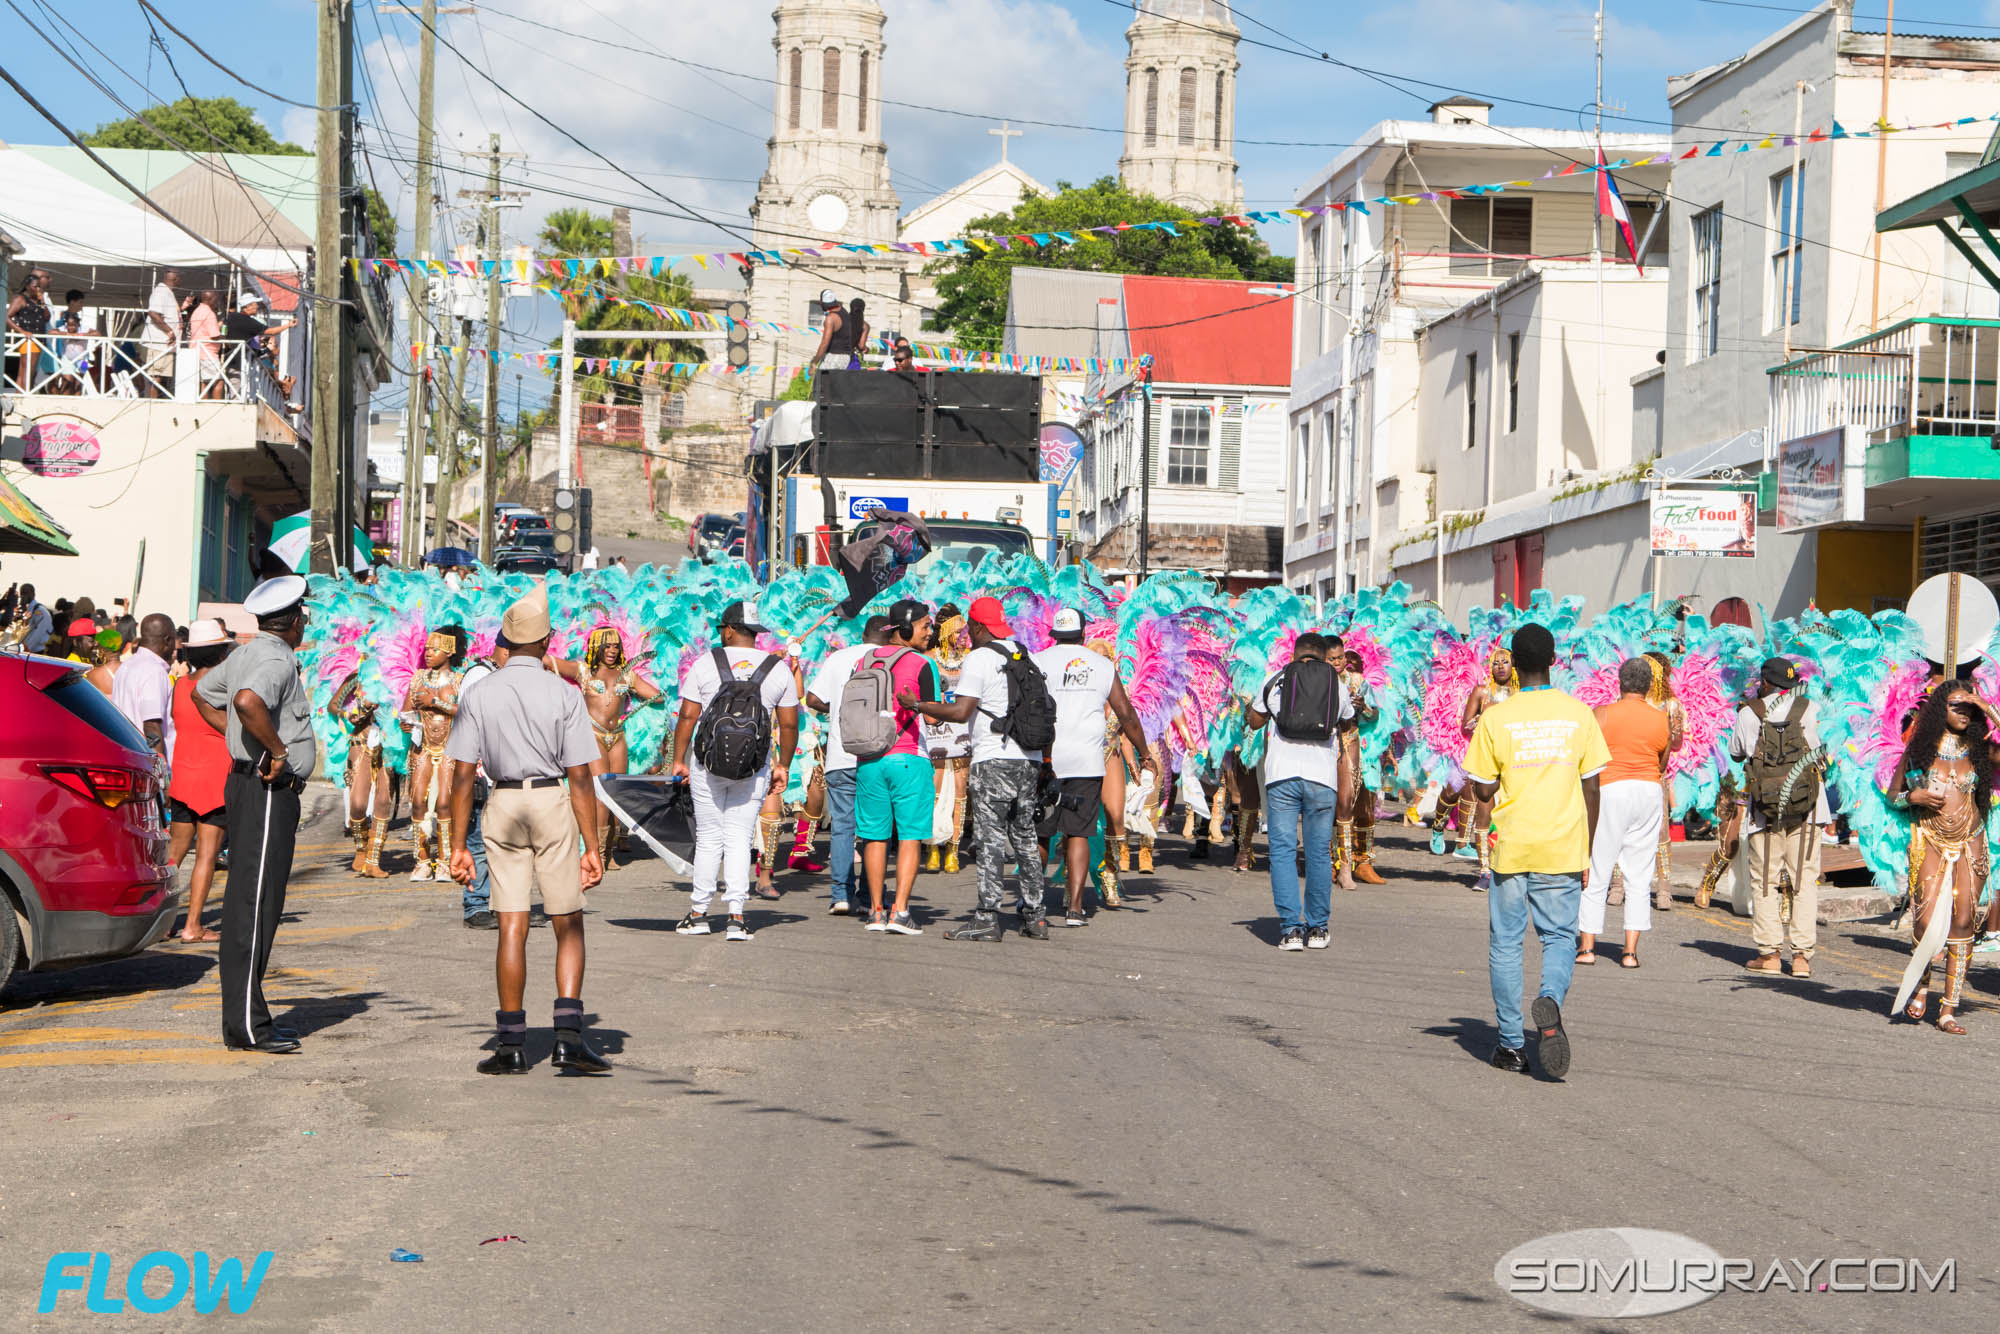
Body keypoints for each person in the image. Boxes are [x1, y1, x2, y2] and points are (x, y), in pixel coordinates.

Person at [445, 590, 609, 1074]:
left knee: (511, 925)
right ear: (545, 642)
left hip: (502, 801)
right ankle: (567, 1039)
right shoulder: (563, 692)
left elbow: (461, 773)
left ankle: (512, 1045)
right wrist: (592, 846)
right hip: (550, 799)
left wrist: (456, 845)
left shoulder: (478, 692)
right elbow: (581, 775)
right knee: (567, 921)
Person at [1464, 624, 1608, 1080]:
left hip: (1511, 846)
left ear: (1514, 664)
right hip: (1563, 845)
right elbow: (1592, 787)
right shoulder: (1579, 714)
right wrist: (1586, 849)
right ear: (1552, 660)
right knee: (1560, 937)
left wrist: (1483, 777)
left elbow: (1483, 789)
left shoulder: (1495, 716)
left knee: (1506, 944)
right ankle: (1550, 1000)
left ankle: (1510, 1045)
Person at [192, 575, 315, 1054]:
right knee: (253, 904)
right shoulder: (272, 656)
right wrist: (275, 750)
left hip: (255, 782)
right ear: (294, 620)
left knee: (259, 902)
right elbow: (244, 702)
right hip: (266, 786)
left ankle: (252, 1018)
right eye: (303, 616)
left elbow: (205, 693)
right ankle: (245, 1025)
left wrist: (240, 739)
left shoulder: (247, 651)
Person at [905, 597, 1047, 940]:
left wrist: (918, 704)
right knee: (1025, 836)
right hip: (1030, 758)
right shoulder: (1025, 654)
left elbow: (961, 712)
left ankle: (987, 916)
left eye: (971, 626)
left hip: (993, 758)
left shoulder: (979, 658)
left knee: (990, 839)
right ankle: (1035, 916)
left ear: (979, 627)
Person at [668, 600, 800, 942]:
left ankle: (698, 913)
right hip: (754, 767)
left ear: (728, 629)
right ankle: (736, 917)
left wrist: (678, 758)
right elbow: (788, 724)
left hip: (707, 763)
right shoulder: (777, 668)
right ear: (754, 633)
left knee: (710, 837)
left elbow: (687, 716)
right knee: (740, 838)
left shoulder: (706, 663)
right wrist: (782, 765)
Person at [1888, 680, 2000, 1034]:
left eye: (1969, 708)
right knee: (1924, 919)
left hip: (1971, 840)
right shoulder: (1920, 748)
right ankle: (1921, 986)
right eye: (1957, 706)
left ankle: (1949, 1007)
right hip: (1931, 840)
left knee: (1964, 920)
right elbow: (1892, 796)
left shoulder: (1980, 748)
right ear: (1940, 709)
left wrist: (1987, 707)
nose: (1964, 712)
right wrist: (1914, 798)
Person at [1035, 607, 1154, 928]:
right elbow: (1126, 714)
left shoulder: (1039, 661)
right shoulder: (1102, 666)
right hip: (1087, 762)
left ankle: (1030, 902)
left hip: (1046, 761)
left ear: (1055, 635)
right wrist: (1144, 753)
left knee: (1042, 834)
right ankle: (1075, 909)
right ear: (1084, 634)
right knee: (1078, 833)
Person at [1246, 633, 1349, 951]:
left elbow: (1253, 722)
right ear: (1322, 655)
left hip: (1282, 777)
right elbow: (1346, 720)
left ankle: (1291, 930)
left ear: (1295, 654)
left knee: (1282, 852)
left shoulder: (1276, 680)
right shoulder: (1337, 685)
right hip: (1322, 779)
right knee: (1318, 854)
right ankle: (1318, 929)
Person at [1728, 656, 1829, 979]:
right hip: (1809, 809)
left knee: (1765, 881)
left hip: (1765, 811)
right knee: (1803, 881)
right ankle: (1801, 957)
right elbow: (1826, 753)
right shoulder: (1811, 709)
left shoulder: (1749, 711)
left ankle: (1770, 954)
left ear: (1766, 682)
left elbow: (1736, 752)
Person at [854, 598, 940, 935]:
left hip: (868, 758)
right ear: (905, 629)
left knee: (874, 836)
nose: (929, 632)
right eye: (924, 626)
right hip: (908, 757)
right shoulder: (921, 663)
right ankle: (900, 912)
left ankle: (876, 911)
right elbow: (933, 715)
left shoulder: (865, 658)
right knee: (909, 836)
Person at [1578, 659, 1670, 969]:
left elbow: (1585, 758)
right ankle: (1630, 953)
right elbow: (1662, 763)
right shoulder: (1661, 718)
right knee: (1640, 875)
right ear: (1647, 686)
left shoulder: (1601, 713)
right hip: (1647, 791)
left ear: (1620, 683)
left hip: (1610, 789)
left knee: (1597, 868)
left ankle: (1587, 948)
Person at [551, 625, 662, 868]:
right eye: (606, 646)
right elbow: (548, 662)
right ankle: (599, 854)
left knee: (617, 794)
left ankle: (610, 849)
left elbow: (657, 696)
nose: (611, 651)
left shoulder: (627, 674)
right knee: (600, 794)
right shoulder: (583, 671)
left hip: (618, 736)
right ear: (595, 648)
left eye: (615, 646)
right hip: (592, 734)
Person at [803, 615, 890, 915]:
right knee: (874, 828)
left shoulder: (839, 658)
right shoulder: (891, 658)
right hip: (878, 755)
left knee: (842, 826)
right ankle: (869, 895)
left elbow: (812, 698)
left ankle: (840, 894)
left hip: (841, 754)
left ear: (863, 633)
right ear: (889, 635)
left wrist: (839, 709)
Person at [166, 620, 232, 943]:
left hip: (183, 777)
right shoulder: (224, 689)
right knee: (206, 855)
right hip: (215, 781)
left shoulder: (179, 686)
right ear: (221, 652)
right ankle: (192, 925)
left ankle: (161, 922)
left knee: (172, 857)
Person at [403, 627, 467, 881]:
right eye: (427, 649)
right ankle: (421, 861)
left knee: (444, 803)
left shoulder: (460, 680)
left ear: (449, 652)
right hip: (423, 747)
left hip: (451, 747)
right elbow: (406, 710)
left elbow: (465, 712)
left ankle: (444, 860)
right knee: (418, 800)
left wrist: (435, 702)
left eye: (435, 649)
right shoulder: (418, 679)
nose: (428, 654)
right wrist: (406, 722)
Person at [452, 640, 508, 928]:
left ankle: (497, 903)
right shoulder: (480, 675)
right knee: (477, 843)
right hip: (479, 772)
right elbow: (471, 725)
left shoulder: (498, 675)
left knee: (499, 843)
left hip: (497, 774)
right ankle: (475, 906)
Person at [1456, 645, 1519, 889]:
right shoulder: (1482, 692)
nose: (1500, 666)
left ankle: (1508, 867)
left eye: (1505, 662)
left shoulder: (1520, 693)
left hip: (1513, 762)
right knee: (1484, 812)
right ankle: (1485, 871)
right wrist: (1485, 718)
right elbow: (1465, 725)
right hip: (1486, 759)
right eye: (1495, 662)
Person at [329, 671, 393, 879]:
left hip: (390, 745)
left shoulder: (398, 673)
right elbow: (333, 705)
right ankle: (361, 848)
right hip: (360, 743)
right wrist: (349, 714)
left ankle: (373, 861)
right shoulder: (356, 677)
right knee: (357, 803)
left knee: (383, 801)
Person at [922, 605, 971, 873]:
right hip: (937, 731)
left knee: (961, 791)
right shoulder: (929, 658)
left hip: (962, 730)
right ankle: (932, 846)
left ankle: (953, 848)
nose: (963, 635)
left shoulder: (971, 659)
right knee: (935, 789)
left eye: (965, 630)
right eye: (958, 630)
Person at [1331, 640, 1384, 888]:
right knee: (1334, 803)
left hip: (1357, 744)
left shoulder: (1358, 681)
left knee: (1364, 801)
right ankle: (1336, 861)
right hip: (1328, 746)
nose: (1338, 663)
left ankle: (1363, 862)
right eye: (1332, 659)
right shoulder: (1321, 681)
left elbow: (1375, 714)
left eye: (1340, 658)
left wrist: (1364, 709)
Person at [1641, 650, 1687, 912]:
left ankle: (1664, 889)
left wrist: (1668, 731)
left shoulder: (1671, 705)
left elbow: (1678, 744)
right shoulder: (1627, 700)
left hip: (1657, 775)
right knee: (1623, 831)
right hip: (1628, 771)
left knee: (1661, 833)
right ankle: (1617, 885)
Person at [111, 613, 176, 768]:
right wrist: (160, 774)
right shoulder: (154, 671)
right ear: (167, 640)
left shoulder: (127, 665)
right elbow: (151, 725)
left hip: (128, 757)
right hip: (146, 765)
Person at [223, 294, 297, 401]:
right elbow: (270, 332)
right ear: (248, 306)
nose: (257, 307)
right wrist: (288, 325)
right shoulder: (250, 322)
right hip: (240, 361)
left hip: (229, 358)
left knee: (234, 385)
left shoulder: (231, 316)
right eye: (255, 304)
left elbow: (222, 326)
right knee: (237, 387)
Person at [141, 268, 180, 397]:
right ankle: (153, 401)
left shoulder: (167, 292)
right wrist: (169, 331)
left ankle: (156, 399)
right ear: (175, 279)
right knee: (156, 376)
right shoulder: (161, 292)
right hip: (159, 342)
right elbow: (153, 312)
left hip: (165, 344)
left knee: (160, 376)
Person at [188, 290, 225, 400]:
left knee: (204, 382)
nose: (217, 302)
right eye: (216, 299)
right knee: (218, 381)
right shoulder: (209, 313)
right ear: (210, 299)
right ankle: (214, 405)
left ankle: (203, 405)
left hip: (196, 351)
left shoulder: (197, 311)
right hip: (208, 352)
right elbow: (214, 335)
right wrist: (223, 334)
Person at [809, 290, 858, 373]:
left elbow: (825, 343)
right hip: (845, 358)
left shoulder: (830, 318)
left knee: (822, 383)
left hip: (834, 357)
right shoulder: (844, 312)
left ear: (822, 302)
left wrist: (814, 363)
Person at [17, 582, 52, 653]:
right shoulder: (29, 610)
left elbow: (38, 633)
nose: (24, 596)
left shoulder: (40, 611)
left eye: (26, 593)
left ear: (33, 594)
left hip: (33, 651)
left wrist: (25, 649)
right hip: (24, 649)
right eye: (22, 594)